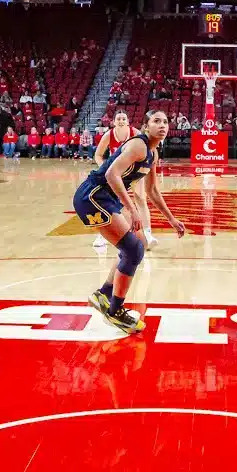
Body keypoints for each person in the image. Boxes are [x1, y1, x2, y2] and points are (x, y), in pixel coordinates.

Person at [78, 110, 186, 333]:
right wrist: (131, 208)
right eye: (156, 121)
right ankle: (115, 311)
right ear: (146, 126)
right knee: (134, 249)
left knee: (136, 246)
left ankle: (103, 295)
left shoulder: (153, 154)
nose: (162, 125)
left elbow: (153, 190)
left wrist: (172, 219)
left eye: (166, 121)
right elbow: (111, 174)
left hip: (107, 198)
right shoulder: (139, 145)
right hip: (93, 196)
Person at [94, 111, 157, 248]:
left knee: (140, 198)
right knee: (108, 202)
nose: (121, 121)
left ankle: (147, 233)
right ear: (114, 122)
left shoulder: (135, 133)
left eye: (124, 118)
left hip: (134, 172)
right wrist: (105, 167)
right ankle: (102, 236)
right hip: (116, 173)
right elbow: (98, 155)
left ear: (128, 121)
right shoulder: (108, 135)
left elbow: (148, 150)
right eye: (118, 119)